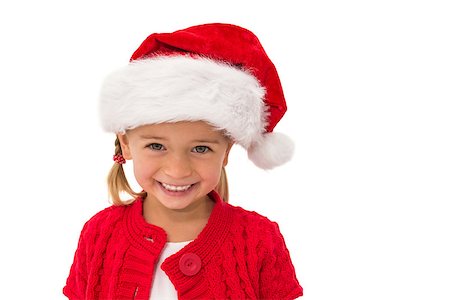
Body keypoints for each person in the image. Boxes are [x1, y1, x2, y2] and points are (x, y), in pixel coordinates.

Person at [63, 23, 303, 299]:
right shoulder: (99, 234)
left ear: (226, 152)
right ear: (126, 144)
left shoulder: (260, 239)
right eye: (156, 146)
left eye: (200, 149)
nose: (177, 170)